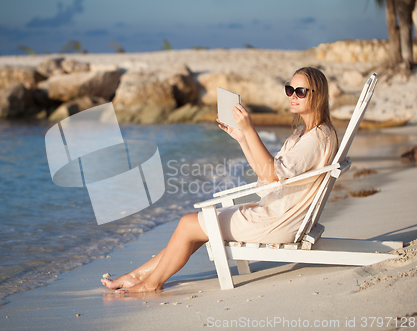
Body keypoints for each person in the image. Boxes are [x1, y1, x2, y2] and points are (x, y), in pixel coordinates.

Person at [101, 67, 338, 293]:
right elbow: (268, 172)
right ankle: (137, 277)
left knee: (188, 224)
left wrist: (251, 129)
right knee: (195, 226)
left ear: (318, 96)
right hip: (279, 213)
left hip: (280, 221)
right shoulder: (305, 134)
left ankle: (151, 284)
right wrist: (243, 137)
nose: (292, 96)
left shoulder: (316, 138)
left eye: (300, 91)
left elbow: (270, 175)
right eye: (289, 90)